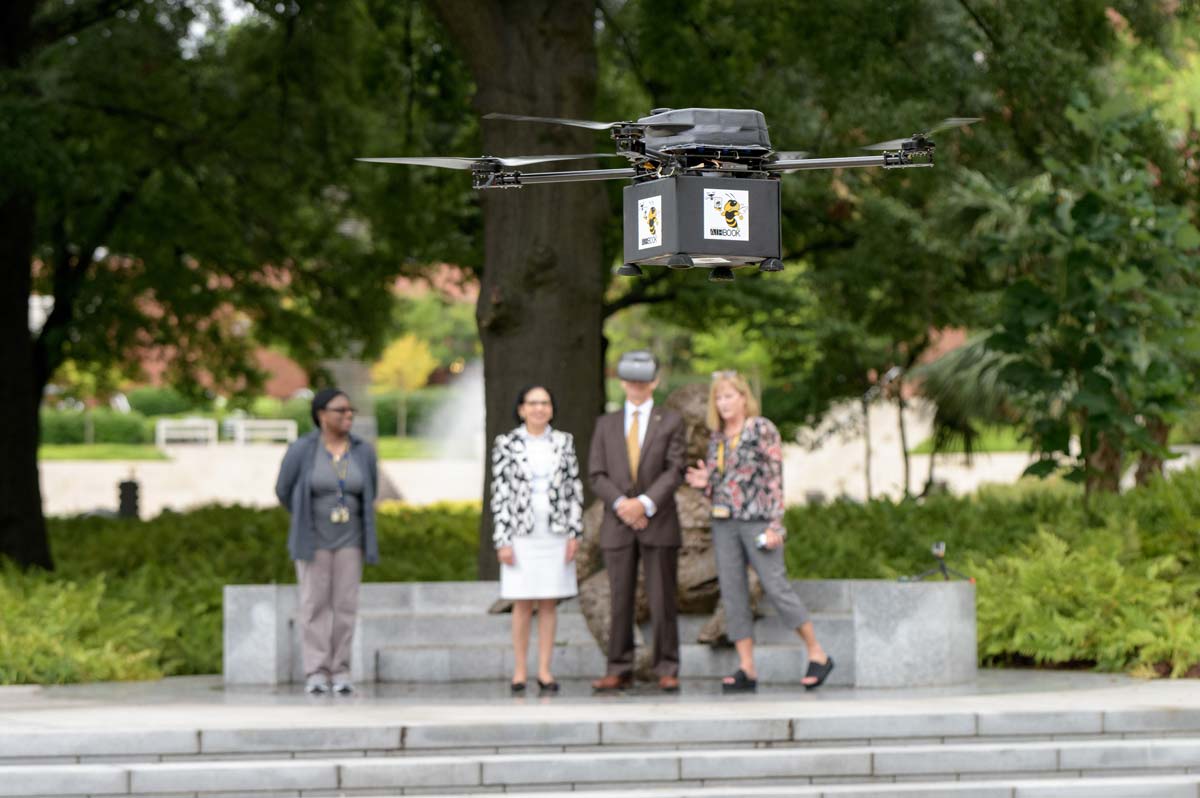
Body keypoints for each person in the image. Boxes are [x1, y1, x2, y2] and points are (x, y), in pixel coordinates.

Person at [685, 371, 834, 692]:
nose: (723, 403)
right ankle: (747, 667)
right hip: (724, 522)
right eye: (718, 398)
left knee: (775, 585)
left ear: (743, 398)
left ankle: (817, 653)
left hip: (757, 520)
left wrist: (776, 524)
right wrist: (705, 483)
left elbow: (774, 478)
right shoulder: (717, 438)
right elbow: (723, 486)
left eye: (729, 396)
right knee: (732, 592)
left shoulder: (761, 429)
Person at [589, 351, 686, 692]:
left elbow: (675, 469)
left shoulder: (671, 421)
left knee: (663, 599)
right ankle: (619, 667)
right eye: (631, 381)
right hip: (617, 524)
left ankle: (667, 666)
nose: (637, 386)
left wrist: (644, 505)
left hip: (658, 522)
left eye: (643, 381)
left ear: (654, 382)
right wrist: (623, 506)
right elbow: (597, 474)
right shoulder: (606, 424)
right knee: (619, 600)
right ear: (622, 383)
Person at [274, 388, 379, 695]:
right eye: (340, 410)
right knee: (314, 604)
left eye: (350, 411)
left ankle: (341, 670)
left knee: (345, 606)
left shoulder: (362, 451)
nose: (348, 415)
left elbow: (370, 490)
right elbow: (283, 489)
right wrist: (303, 514)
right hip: (313, 540)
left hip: (351, 540)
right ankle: (317, 670)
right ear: (321, 415)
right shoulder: (303, 449)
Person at [491, 385, 584, 695]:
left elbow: (573, 488)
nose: (539, 409)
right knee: (522, 600)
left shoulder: (563, 442)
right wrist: (502, 539)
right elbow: (500, 492)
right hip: (521, 533)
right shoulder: (506, 443)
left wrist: (574, 532)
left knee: (548, 601)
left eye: (544, 403)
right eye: (532, 403)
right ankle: (520, 670)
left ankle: (545, 669)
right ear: (521, 409)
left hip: (555, 532)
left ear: (552, 409)